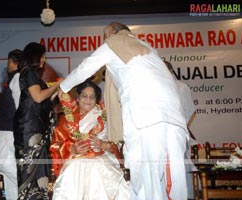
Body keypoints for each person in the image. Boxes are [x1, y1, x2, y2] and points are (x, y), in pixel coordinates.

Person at [58, 21, 189, 200]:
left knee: (145, 177)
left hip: (147, 120)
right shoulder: (148, 48)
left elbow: (85, 68)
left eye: (105, 37)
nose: (104, 41)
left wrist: (63, 87)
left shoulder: (114, 43)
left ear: (113, 33)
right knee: (171, 178)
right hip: (173, 120)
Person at [50, 79, 130, 200]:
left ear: (96, 99)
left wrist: (105, 145)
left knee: (97, 167)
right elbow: (56, 145)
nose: (88, 100)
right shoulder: (67, 118)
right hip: (74, 159)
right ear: (77, 97)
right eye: (84, 96)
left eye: (92, 97)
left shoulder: (104, 116)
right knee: (75, 168)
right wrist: (72, 148)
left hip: (102, 157)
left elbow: (118, 143)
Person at [13, 42, 61, 200]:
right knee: (29, 168)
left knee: (39, 169)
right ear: (35, 56)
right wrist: (57, 84)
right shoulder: (30, 73)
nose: (44, 59)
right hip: (29, 128)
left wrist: (57, 90)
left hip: (35, 127)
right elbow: (39, 96)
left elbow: (42, 100)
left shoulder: (31, 74)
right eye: (42, 55)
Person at [0, 49, 23, 200]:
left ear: (13, 63)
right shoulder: (15, 79)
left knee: (11, 170)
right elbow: (10, 106)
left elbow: (19, 106)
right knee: (9, 177)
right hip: (6, 131)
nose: (7, 65)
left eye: (9, 62)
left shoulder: (18, 78)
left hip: (10, 133)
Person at [164, 60, 197, 199]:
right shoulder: (155, 87)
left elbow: (189, 111)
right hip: (159, 139)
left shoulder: (181, 87)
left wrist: (177, 130)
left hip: (176, 136)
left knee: (180, 170)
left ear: (170, 71)